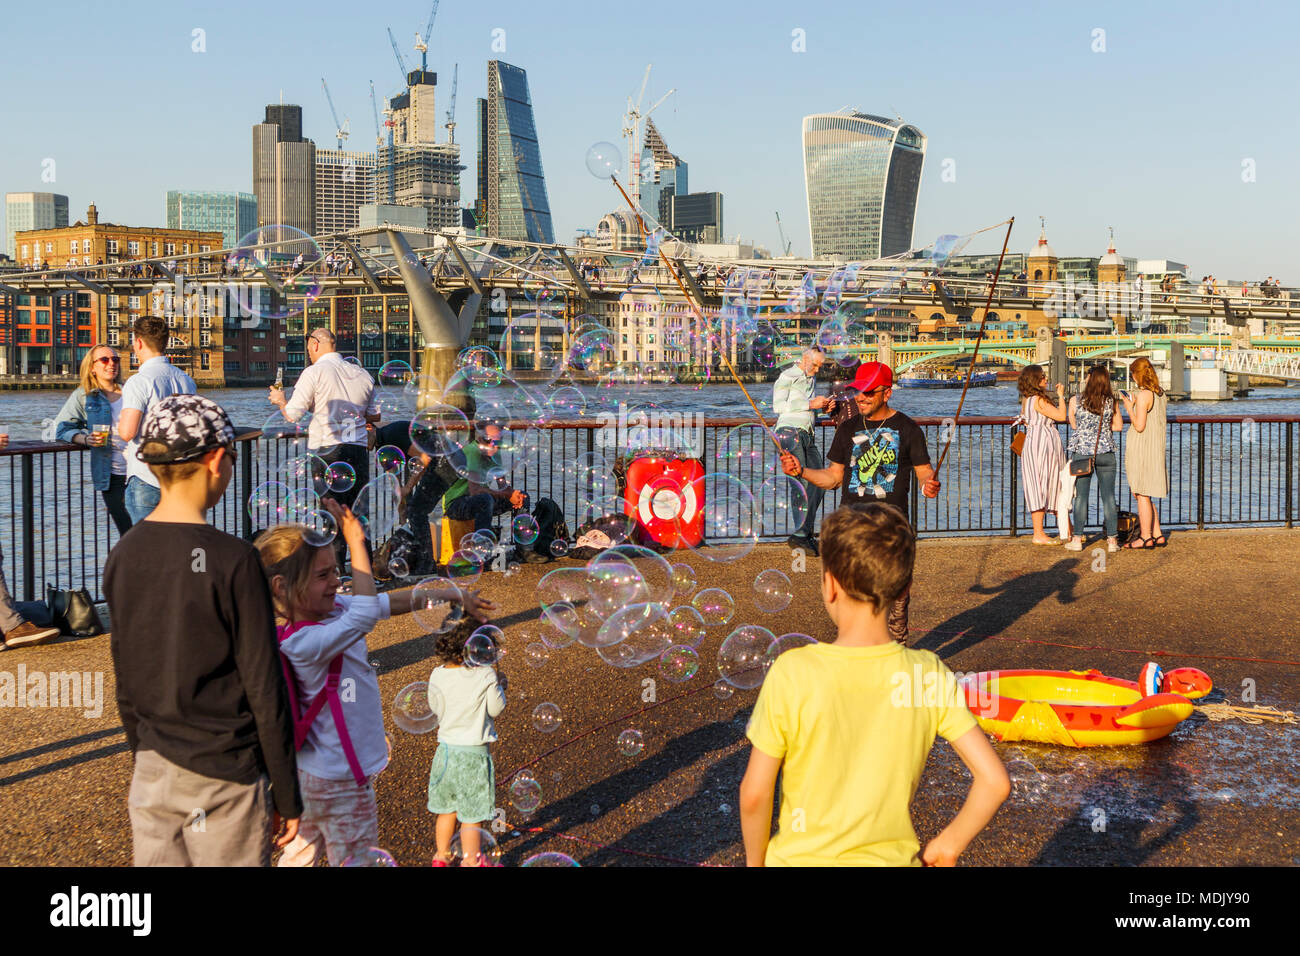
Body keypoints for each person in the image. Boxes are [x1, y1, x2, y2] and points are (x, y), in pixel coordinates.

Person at [739, 503, 1009, 866]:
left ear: (830, 584)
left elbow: (755, 794)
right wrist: (948, 844)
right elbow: (994, 782)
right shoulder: (926, 674)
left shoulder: (794, 671)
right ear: (904, 590)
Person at [104, 395, 302, 865]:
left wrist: (143, 753)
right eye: (232, 457)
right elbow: (264, 685)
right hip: (225, 772)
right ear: (216, 460)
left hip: (153, 769)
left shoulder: (124, 555)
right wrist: (287, 793)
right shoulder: (234, 560)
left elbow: (127, 679)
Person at [256, 500, 494, 867]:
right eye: (323, 575)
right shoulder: (301, 643)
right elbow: (368, 611)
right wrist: (356, 542)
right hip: (341, 781)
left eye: (337, 571)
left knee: (299, 856)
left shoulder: (335, 610)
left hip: (311, 775)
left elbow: (388, 602)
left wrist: (452, 593)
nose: (337, 581)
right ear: (282, 587)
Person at [780, 361, 940, 644]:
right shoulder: (848, 428)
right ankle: (856, 659)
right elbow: (833, 477)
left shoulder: (909, 429)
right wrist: (801, 471)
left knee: (896, 604)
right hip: (852, 530)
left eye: (869, 392)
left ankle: (895, 659)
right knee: (852, 604)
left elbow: (924, 470)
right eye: (858, 391)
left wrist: (929, 484)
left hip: (892, 531)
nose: (860, 397)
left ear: (886, 393)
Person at [269, 328, 380, 567]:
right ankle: (366, 571)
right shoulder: (362, 374)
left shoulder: (314, 372)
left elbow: (293, 415)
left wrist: (280, 401)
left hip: (328, 452)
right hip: (358, 450)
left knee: (331, 514)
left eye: (309, 346)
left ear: (316, 344)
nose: (308, 352)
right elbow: (374, 414)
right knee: (358, 513)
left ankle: (338, 573)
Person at [427, 618, 508, 866]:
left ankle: (441, 856)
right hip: (473, 755)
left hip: (445, 753)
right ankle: (472, 861)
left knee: (447, 809)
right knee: (472, 814)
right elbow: (496, 709)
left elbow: (435, 707)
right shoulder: (485, 675)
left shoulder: (437, 673)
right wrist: (501, 686)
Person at [117, 316, 197, 524]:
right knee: (176, 543)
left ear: (139, 342)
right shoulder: (185, 380)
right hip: (178, 477)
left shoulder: (138, 381)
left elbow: (128, 432)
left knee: (148, 547)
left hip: (147, 476)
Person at [54, 344, 133, 536]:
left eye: (115, 359)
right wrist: (85, 439)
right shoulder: (85, 396)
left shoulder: (131, 392)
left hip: (139, 473)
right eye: (104, 360)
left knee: (149, 532)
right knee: (128, 532)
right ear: (92, 367)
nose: (111, 364)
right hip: (111, 475)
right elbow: (61, 427)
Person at [772, 347, 829, 553]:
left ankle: (803, 533)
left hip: (807, 434)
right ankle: (801, 535)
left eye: (819, 367)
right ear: (805, 358)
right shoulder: (787, 375)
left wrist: (822, 409)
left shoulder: (810, 379)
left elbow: (806, 409)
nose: (816, 370)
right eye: (814, 365)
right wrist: (810, 404)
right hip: (788, 432)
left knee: (820, 480)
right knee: (801, 483)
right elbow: (778, 406)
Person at [1064, 365, 1124, 553]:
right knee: (1108, 496)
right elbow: (1119, 426)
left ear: (1089, 378)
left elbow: (1073, 424)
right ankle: (1113, 541)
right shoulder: (1110, 401)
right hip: (1106, 452)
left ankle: (1077, 539)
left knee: (1081, 496)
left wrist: (1084, 428)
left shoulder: (1076, 400)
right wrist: (1104, 429)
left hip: (1082, 452)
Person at [441, 418, 530, 538]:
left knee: (523, 497)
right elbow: (475, 491)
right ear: (479, 439)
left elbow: (502, 484)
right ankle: (481, 545)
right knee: (485, 499)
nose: (492, 445)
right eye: (488, 440)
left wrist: (513, 494)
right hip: (456, 505)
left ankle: (524, 549)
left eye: (497, 442)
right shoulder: (473, 452)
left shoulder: (495, 453)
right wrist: (507, 494)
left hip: (480, 500)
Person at [1015, 365, 1069, 545]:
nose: (1046, 379)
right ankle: (1040, 533)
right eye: (1043, 377)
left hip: (1033, 443)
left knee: (1038, 483)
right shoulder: (1038, 400)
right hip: (1043, 445)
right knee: (1052, 483)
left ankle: (1064, 529)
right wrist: (1061, 396)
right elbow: (1061, 416)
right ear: (1035, 380)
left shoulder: (1027, 399)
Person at [1120, 357, 1169, 548]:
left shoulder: (1143, 396)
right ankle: (1157, 533)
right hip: (1155, 447)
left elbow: (1139, 425)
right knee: (1147, 493)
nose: (1132, 378)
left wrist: (1129, 409)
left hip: (1143, 448)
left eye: (1133, 374)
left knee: (1141, 493)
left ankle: (1145, 537)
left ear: (1138, 374)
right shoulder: (1160, 394)